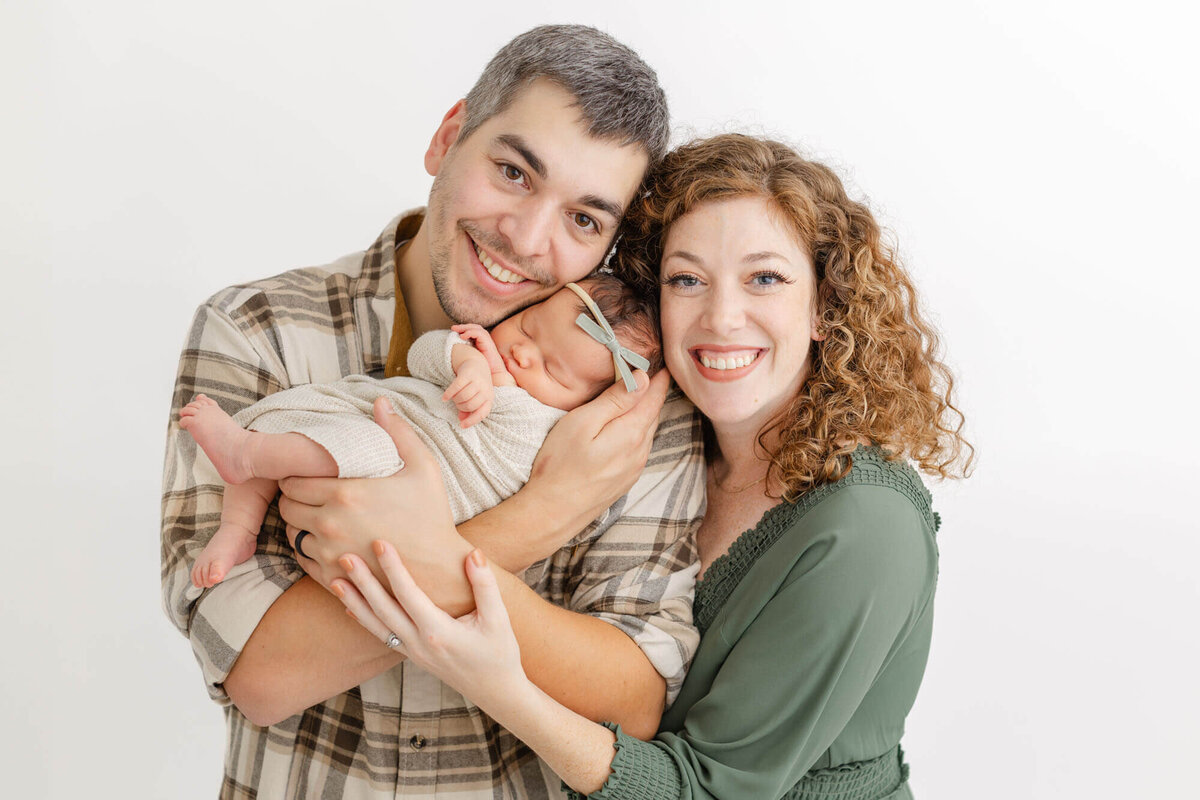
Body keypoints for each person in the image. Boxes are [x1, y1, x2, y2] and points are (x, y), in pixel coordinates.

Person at [330, 133, 974, 799]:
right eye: (687, 280)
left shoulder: (865, 526)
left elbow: (710, 790)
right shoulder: (659, 442)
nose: (722, 318)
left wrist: (499, 685)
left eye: (765, 279)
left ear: (824, 307)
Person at [161, 25, 708, 799]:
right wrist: (546, 511)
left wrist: (418, 557)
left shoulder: (627, 392)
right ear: (448, 137)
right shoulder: (258, 331)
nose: (526, 239)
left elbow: (634, 698)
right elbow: (259, 671)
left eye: (584, 220)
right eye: (514, 172)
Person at [180, 276, 663, 589]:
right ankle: (236, 529)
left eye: (554, 370)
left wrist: (492, 378)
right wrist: (466, 360)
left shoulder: (555, 429)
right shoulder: (482, 352)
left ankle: (246, 451)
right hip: (369, 420)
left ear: (592, 402)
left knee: (350, 445)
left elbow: (519, 451)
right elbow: (424, 354)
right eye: (531, 327)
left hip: (400, 481)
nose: (522, 355)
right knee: (292, 416)